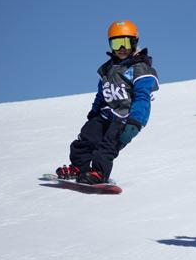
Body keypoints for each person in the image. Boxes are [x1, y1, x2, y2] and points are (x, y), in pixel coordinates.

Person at [55, 20, 159, 184]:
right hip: (105, 114)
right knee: (86, 138)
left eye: (126, 43)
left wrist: (135, 122)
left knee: (107, 146)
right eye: (117, 43)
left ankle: (98, 173)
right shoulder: (107, 69)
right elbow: (101, 94)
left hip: (125, 118)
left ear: (134, 43)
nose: (121, 48)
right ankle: (78, 167)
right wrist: (94, 111)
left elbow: (142, 98)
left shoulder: (140, 68)